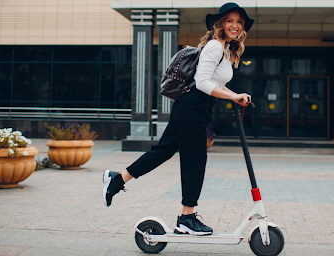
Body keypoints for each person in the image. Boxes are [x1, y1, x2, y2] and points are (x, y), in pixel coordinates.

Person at [102, 2, 255, 236]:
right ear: (220, 23)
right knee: (195, 161)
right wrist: (234, 95)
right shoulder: (215, 46)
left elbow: (214, 85)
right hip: (193, 107)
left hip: (193, 108)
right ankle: (186, 218)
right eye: (230, 20)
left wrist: (232, 97)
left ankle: (117, 180)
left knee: (163, 150)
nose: (235, 25)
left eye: (239, 22)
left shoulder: (225, 50)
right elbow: (203, 83)